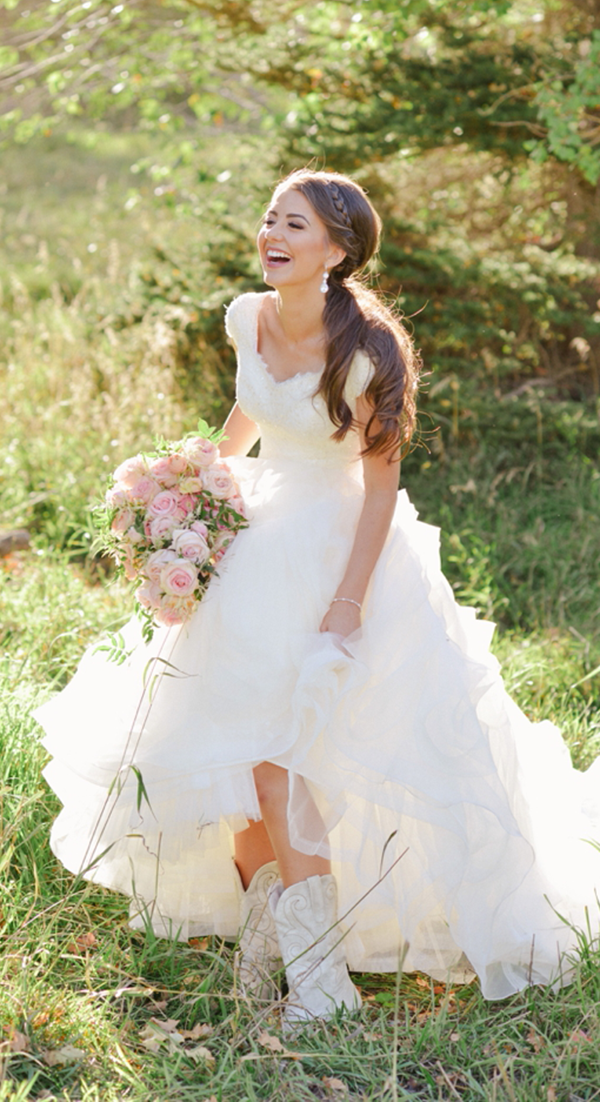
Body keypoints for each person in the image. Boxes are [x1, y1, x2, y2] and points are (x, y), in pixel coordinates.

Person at [36, 169, 600, 1027]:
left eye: (294, 224)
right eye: (270, 218)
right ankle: (271, 941)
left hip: (338, 546)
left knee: (285, 757)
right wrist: (192, 485)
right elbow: (247, 411)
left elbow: (379, 490)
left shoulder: (367, 351)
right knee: (233, 742)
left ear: (336, 252)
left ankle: (324, 983)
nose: (273, 233)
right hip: (259, 534)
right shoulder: (246, 317)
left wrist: (347, 606)